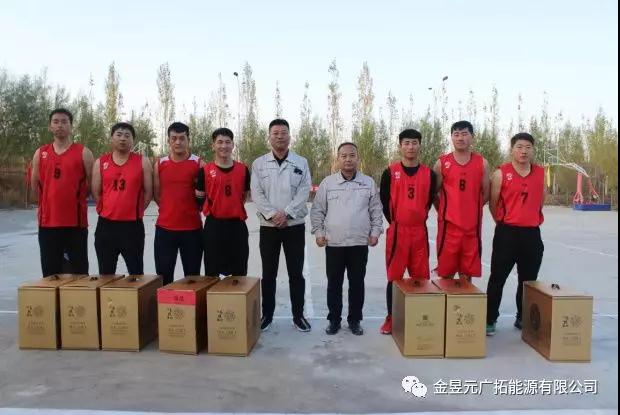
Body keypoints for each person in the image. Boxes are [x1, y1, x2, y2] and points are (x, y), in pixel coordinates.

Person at [310, 142, 383, 336]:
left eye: (352, 156)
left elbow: (376, 210)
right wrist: (319, 233)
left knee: (357, 284)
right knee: (334, 284)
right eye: (344, 156)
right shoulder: (328, 183)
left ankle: (355, 320)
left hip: (359, 243)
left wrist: (375, 232)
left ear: (358, 158)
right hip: (334, 243)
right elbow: (317, 210)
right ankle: (334, 320)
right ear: (338, 159)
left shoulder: (368, 183)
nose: (348, 159)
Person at [251, 119, 312, 332]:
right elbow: (257, 193)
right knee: (269, 274)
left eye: (283, 132)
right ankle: (267, 315)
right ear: (269, 136)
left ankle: (298, 316)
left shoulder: (301, 162)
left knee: (296, 273)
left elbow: (304, 191)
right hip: (269, 227)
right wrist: (272, 215)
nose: (279, 136)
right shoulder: (259, 164)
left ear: (289, 136)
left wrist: (286, 214)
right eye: (275, 133)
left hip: (294, 225)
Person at [378, 129, 437, 335]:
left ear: (420, 145)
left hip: (419, 232)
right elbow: (384, 201)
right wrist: (396, 222)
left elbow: (429, 201)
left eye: (414, 143)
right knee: (394, 277)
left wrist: (415, 219)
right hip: (398, 231)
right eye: (406, 143)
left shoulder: (429, 174)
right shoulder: (390, 172)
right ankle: (391, 318)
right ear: (400, 146)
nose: (410, 147)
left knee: (420, 278)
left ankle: (420, 319)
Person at [486, 133, 545, 336]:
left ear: (533, 150)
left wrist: (529, 218)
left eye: (528, 147)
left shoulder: (540, 173)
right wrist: (503, 223)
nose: (524, 151)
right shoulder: (501, 173)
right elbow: (493, 203)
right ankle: (490, 319)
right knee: (498, 277)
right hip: (507, 233)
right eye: (519, 147)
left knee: (528, 280)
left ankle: (523, 317)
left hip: (532, 233)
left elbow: (540, 201)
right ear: (512, 149)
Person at [31, 108, 94, 276]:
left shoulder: (84, 153)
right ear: (50, 126)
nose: (60, 125)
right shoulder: (40, 153)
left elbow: (92, 185)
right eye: (56, 122)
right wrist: (48, 201)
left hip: (75, 223)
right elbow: (35, 185)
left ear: (71, 126)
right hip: (48, 223)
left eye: (64, 122)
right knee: (50, 274)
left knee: (78, 273)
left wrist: (75, 198)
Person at [91, 122, 153, 275]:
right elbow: (96, 192)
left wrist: (136, 210)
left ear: (133, 140)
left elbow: (148, 192)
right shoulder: (101, 162)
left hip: (132, 226)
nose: (123, 139)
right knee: (106, 273)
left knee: (136, 273)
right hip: (106, 225)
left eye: (127, 135)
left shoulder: (142, 161)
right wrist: (107, 208)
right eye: (118, 135)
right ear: (112, 138)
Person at [434, 120, 489, 281]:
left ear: (472, 136)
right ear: (451, 137)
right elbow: (434, 193)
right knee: (446, 275)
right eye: (456, 134)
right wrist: (444, 210)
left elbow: (485, 194)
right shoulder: (442, 163)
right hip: (448, 230)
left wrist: (471, 209)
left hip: (471, 230)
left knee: (466, 277)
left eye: (464, 134)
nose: (460, 138)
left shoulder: (482, 163)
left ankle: (463, 300)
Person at [153, 122, 203, 285]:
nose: (178, 142)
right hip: (165, 230)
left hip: (192, 230)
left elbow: (204, 195)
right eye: (174, 138)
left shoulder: (199, 164)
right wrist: (170, 209)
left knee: (192, 278)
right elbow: (157, 194)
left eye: (182, 138)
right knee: (164, 277)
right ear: (168, 140)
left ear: (188, 140)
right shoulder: (160, 164)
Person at [196, 128, 250, 277]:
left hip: (237, 226)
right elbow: (199, 198)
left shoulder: (243, 169)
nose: (224, 146)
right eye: (219, 142)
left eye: (227, 142)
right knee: (211, 273)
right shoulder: (205, 171)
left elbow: (244, 196)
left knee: (239, 273)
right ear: (213, 145)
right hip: (214, 226)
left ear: (233, 145)